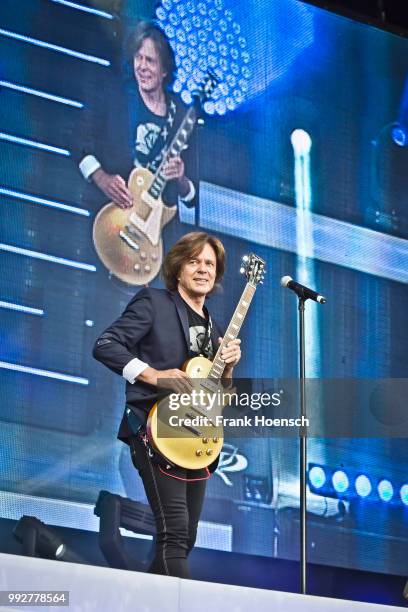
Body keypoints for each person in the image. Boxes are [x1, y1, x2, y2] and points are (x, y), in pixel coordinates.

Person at [92, 231, 242, 578]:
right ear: (178, 269)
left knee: (184, 537)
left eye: (210, 263)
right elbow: (105, 345)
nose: (203, 269)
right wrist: (156, 376)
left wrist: (229, 370)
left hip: (195, 439)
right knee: (174, 532)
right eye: (195, 261)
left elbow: (221, 400)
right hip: (153, 430)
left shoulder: (216, 328)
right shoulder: (154, 302)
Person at [76, 20, 196, 223]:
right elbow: (78, 140)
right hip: (111, 219)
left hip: (156, 232)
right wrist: (101, 177)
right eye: (138, 58)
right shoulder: (114, 95)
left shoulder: (181, 116)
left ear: (164, 70)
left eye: (150, 60)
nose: (142, 66)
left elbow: (192, 197)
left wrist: (181, 178)